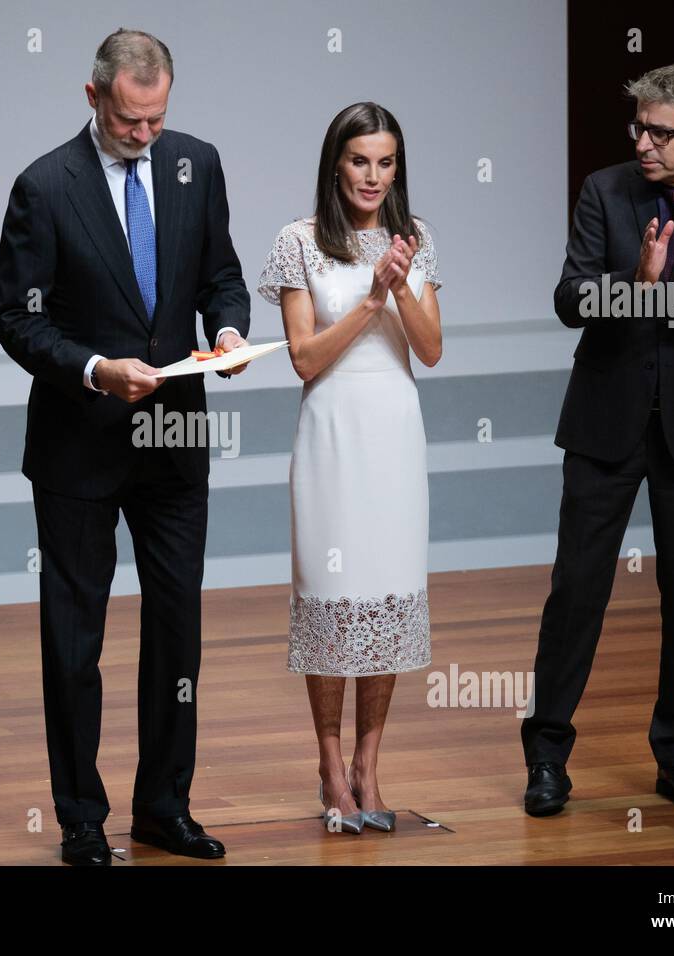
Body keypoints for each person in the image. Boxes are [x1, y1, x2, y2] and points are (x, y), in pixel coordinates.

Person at [0, 28, 250, 865]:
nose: (146, 136)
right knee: (76, 639)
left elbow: (221, 273)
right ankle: (80, 820)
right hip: (80, 444)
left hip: (176, 435)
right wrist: (97, 369)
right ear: (94, 97)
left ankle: (163, 808)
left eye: (157, 119)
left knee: (177, 632)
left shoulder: (196, 163)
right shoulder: (43, 186)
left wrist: (230, 328)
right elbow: (17, 318)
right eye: (131, 121)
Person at [521, 62, 674, 816]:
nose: (643, 144)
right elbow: (570, 301)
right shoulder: (606, 190)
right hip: (606, 420)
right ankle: (546, 758)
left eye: (660, 133)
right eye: (638, 127)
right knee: (576, 592)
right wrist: (634, 278)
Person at [258, 103, 442, 834]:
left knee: (387, 597)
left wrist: (399, 284)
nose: (373, 175)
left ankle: (369, 763)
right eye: (360, 160)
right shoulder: (299, 242)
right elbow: (304, 359)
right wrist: (371, 299)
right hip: (333, 436)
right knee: (333, 598)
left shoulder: (415, 240)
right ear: (337, 162)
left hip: (395, 436)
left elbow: (429, 350)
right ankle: (329, 761)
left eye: (386, 162)